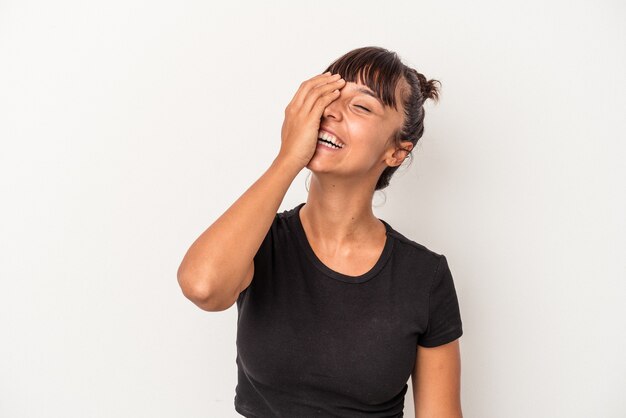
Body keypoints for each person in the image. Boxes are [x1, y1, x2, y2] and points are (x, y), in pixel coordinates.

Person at [177, 46, 464, 417]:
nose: (331, 111)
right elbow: (203, 287)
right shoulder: (260, 240)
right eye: (328, 97)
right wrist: (288, 158)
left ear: (396, 151)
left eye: (361, 106)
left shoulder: (424, 277)